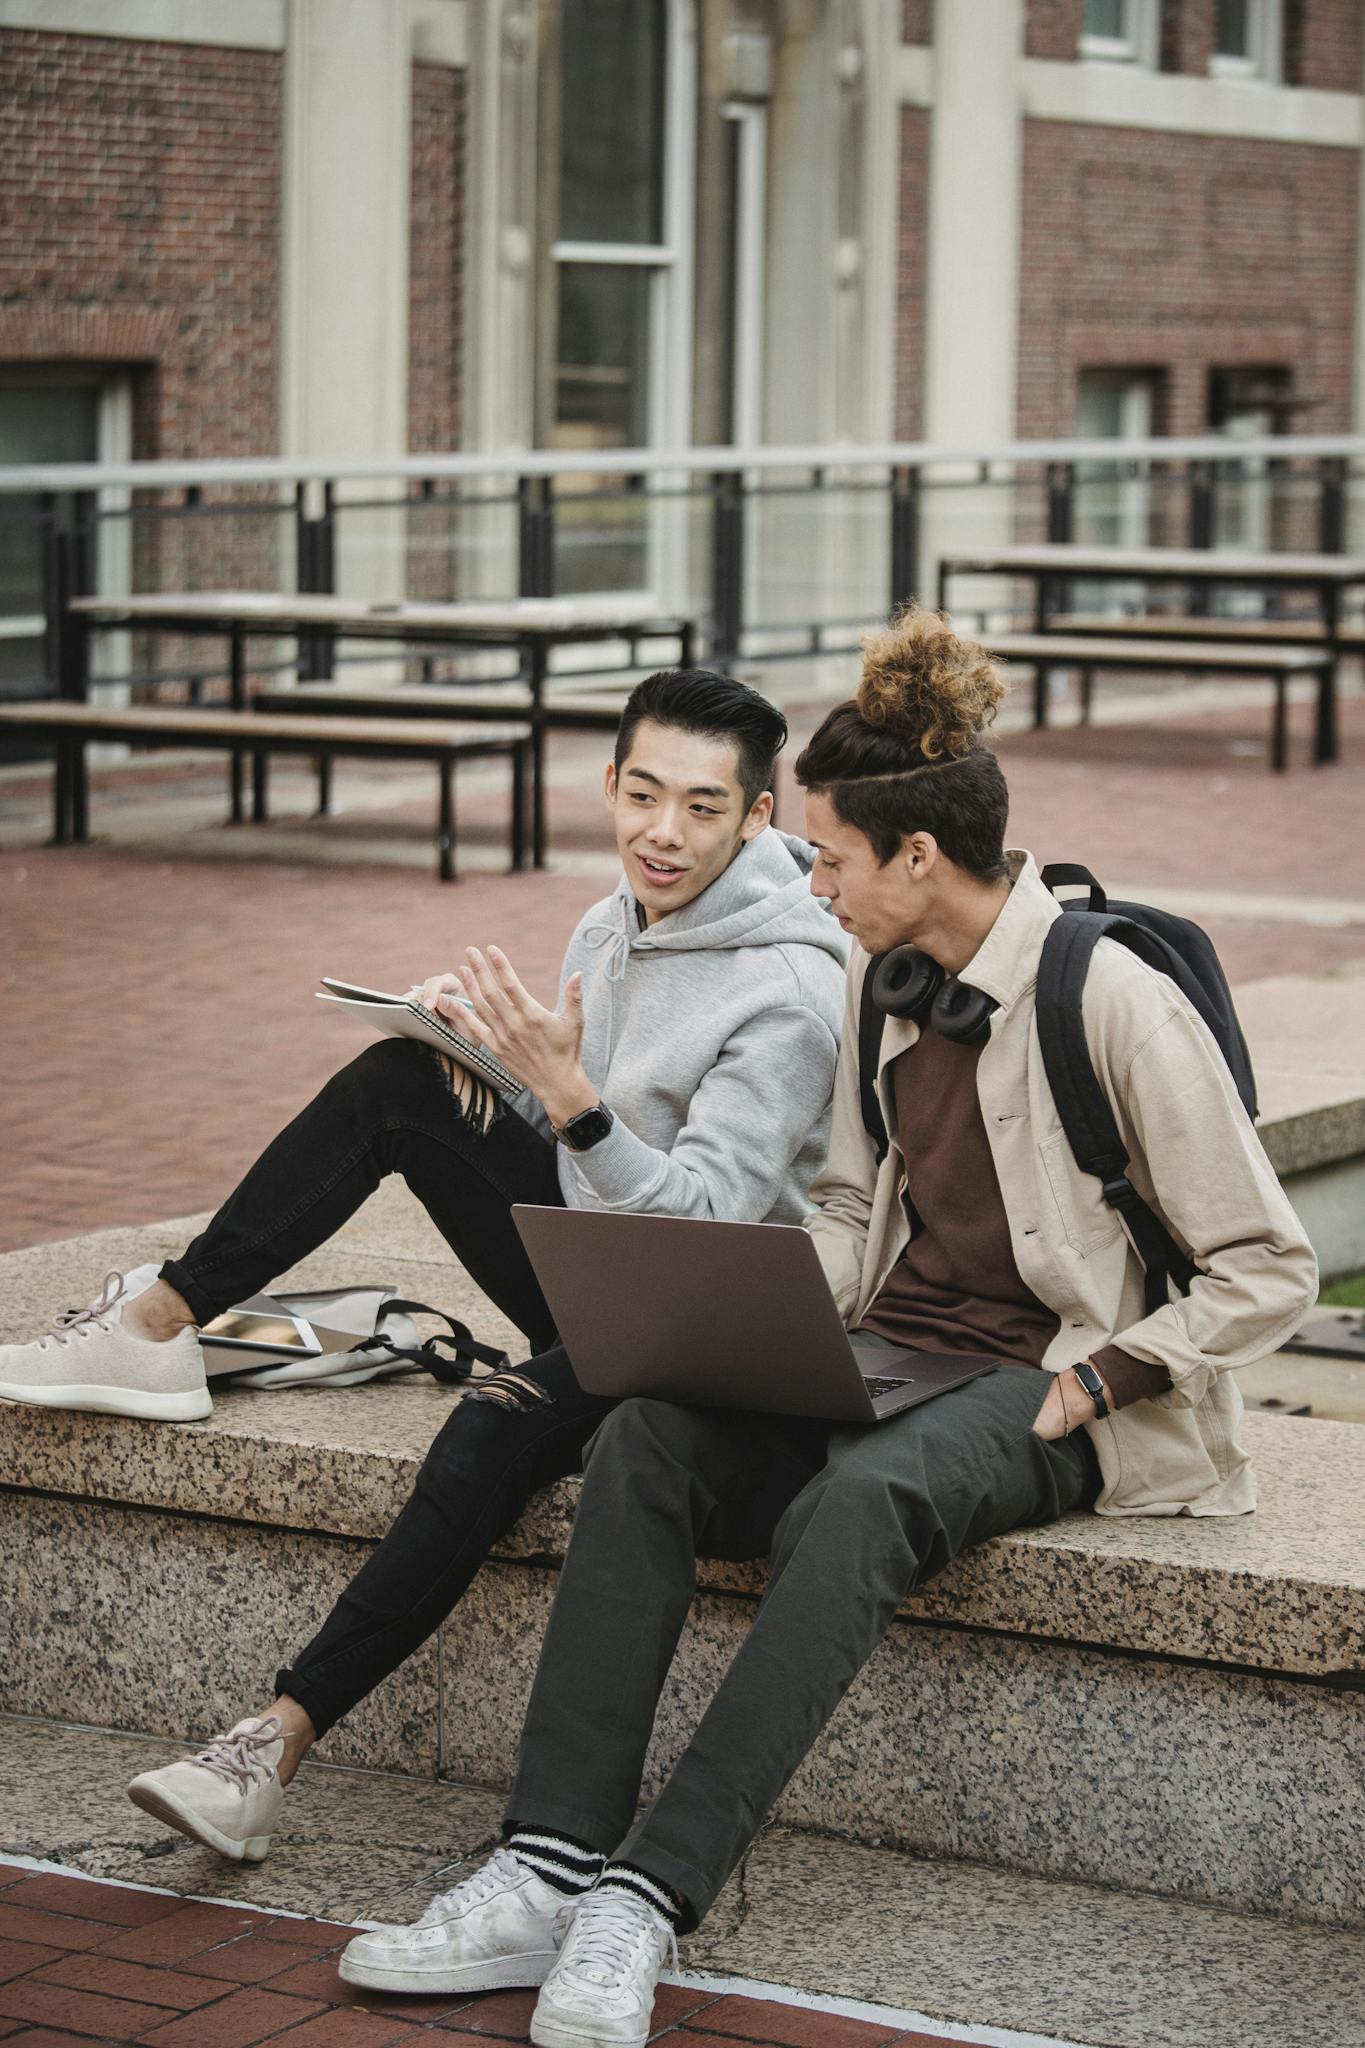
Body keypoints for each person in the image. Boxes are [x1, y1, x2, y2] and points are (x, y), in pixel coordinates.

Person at [336, 608, 1319, 2048]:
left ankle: (646, 1903)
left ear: (914, 858)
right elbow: (853, 1207)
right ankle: (547, 1863)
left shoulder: (1111, 999)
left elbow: (1269, 1263)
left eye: (830, 857)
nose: (805, 875)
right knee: (651, 1436)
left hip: (1050, 1382)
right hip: (887, 1348)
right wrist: (746, 1314)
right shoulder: (878, 979)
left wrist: (1106, 1375)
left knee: (864, 1503)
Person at [0, 667, 849, 1865]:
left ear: (758, 816)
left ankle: (270, 1743)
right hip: (593, 1255)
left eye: (704, 808)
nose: (664, 832)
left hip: (691, 1326)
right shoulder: (617, 919)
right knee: (402, 1084)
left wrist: (570, 1100)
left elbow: (701, 1220)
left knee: (488, 1427)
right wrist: (484, 1057)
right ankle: (155, 1322)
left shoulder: (789, 990)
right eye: (644, 793)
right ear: (609, 782)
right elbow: (573, 1135)